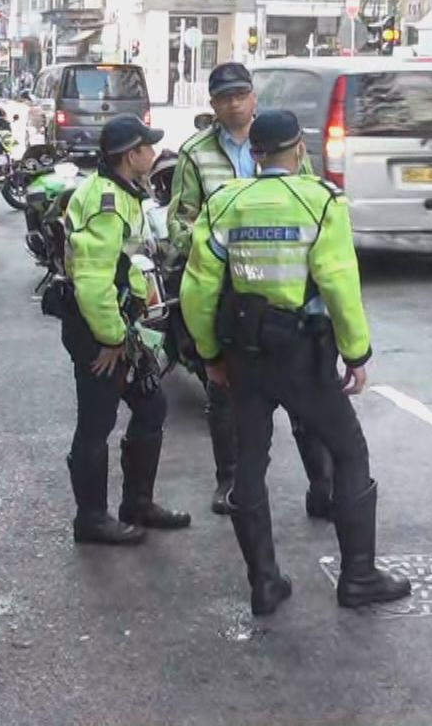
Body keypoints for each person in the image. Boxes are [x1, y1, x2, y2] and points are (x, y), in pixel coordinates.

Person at [180, 110, 410, 617]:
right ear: (299, 150)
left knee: (250, 463)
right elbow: (338, 282)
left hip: (245, 355)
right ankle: (359, 577)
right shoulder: (320, 202)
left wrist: (209, 355)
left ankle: (264, 584)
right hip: (305, 355)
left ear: (255, 155)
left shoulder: (225, 204)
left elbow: (196, 288)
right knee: (349, 451)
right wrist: (357, 354)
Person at [166, 62, 332, 521]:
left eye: (241, 94)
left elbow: (311, 199)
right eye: (224, 97)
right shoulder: (195, 154)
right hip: (229, 295)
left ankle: (323, 487)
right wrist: (210, 245)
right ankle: (231, 482)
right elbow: (179, 221)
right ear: (213, 104)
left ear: (253, 98)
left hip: (289, 292)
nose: (234, 103)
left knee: (308, 393)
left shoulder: (281, 141)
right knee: (227, 394)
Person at [60, 115, 191, 546]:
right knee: (95, 425)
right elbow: (94, 283)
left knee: (151, 408)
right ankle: (91, 519)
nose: (153, 154)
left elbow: (128, 265)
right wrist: (113, 339)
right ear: (129, 155)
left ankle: (137, 503)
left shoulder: (125, 195)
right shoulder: (107, 204)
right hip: (100, 333)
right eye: (147, 148)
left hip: (122, 329)